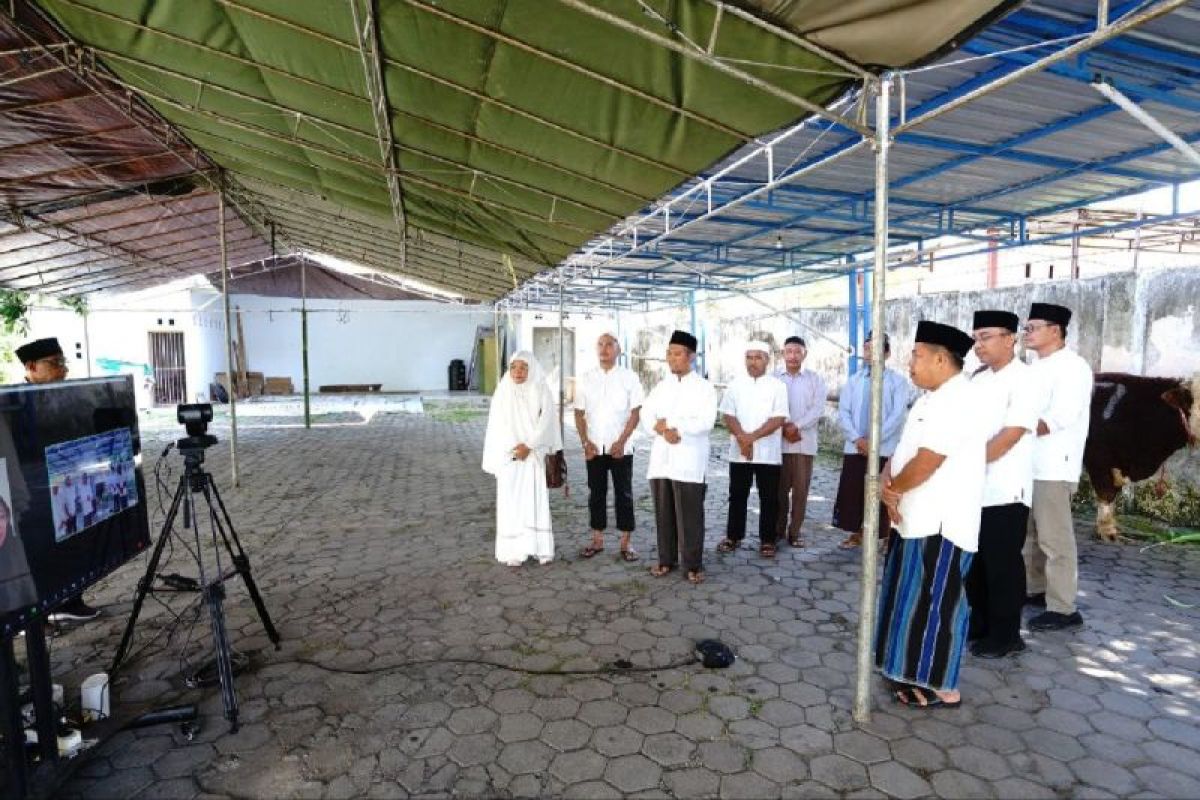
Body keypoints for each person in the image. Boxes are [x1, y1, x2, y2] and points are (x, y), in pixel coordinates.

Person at [877, 321, 985, 708]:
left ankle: (941, 684)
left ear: (941, 359)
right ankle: (907, 668)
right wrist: (886, 479)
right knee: (912, 596)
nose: (911, 363)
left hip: (942, 521)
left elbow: (928, 460)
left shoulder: (960, 399)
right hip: (914, 516)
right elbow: (906, 450)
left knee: (938, 600)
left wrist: (893, 490)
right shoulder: (929, 398)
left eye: (917, 356)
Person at [966, 310, 1038, 658]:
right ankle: (980, 625)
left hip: (1007, 489)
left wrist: (968, 462)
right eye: (977, 337)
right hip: (973, 488)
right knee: (976, 563)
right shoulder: (977, 380)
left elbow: (1011, 435)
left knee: (1002, 564)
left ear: (1010, 339)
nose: (979, 344)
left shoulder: (1025, 379)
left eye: (987, 337)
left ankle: (1007, 635)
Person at [16, 337, 100, 622]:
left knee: (72, 543)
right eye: (54, 364)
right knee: (41, 551)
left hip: (66, 482)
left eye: (63, 363)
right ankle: (39, 615)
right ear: (30, 367)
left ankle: (70, 600)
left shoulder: (60, 394)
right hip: (35, 490)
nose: (63, 370)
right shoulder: (15, 403)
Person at [1023, 302, 1093, 632]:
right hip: (1027, 463)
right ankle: (1037, 590)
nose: (1028, 333)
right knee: (1031, 537)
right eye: (1027, 328)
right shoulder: (1034, 366)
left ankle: (1064, 608)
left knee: (1055, 540)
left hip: (1054, 465)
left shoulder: (1073, 367)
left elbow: (1062, 415)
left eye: (1033, 327)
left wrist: (1015, 427)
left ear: (1055, 331)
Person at [642, 330, 718, 585]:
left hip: (689, 459)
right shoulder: (661, 386)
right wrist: (662, 429)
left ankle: (692, 564)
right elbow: (646, 415)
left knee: (690, 515)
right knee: (663, 513)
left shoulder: (704, 388)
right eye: (669, 354)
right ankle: (666, 559)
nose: (671, 359)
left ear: (691, 356)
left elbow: (706, 421)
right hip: (661, 459)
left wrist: (675, 427)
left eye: (677, 354)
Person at [481, 351, 562, 567]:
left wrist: (530, 446)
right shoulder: (503, 390)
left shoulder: (540, 388)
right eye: (514, 367)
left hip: (533, 456)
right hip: (511, 458)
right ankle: (514, 550)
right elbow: (497, 425)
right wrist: (513, 448)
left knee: (534, 501)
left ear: (531, 369)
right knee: (511, 504)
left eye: (523, 367)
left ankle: (540, 548)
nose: (518, 372)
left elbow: (547, 420)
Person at [833, 331, 910, 549]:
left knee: (882, 490)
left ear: (887, 353)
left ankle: (885, 536)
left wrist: (874, 441)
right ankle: (857, 533)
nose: (869, 353)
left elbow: (897, 417)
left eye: (875, 348)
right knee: (855, 491)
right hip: (856, 447)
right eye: (867, 348)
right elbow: (844, 412)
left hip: (884, 447)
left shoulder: (898, 382)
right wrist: (858, 439)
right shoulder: (854, 381)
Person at [575, 332, 644, 562]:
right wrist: (585, 442)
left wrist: (622, 441)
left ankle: (626, 543)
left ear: (618, 350)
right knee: (596, 493)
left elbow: (636, 412)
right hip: (594, 446)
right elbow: (578, 412)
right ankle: (597, 540)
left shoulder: (629, 378)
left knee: (623, 494)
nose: (604, 349)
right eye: (600, 344)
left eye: (610, 345)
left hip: (621, 447)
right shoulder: (586, 378)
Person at [716, 341, 788, 558]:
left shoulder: (778, 386)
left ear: (767, 360)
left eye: (758, 357)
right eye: (749, 357)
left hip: (768, 453)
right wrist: (742, 439)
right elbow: (728, 414)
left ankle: (768, 540)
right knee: (737, 495)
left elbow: (778, 418)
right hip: (739, 451)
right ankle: (733, 536)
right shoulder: (735, 384)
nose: (753, 362)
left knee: (769, 498)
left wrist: (751, 438)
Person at [776, 335, 827, 548]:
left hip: (804, 445)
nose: (793, 356)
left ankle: (794, 532)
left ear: (804, 354)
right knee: (778, 492)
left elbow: (817, 410)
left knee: (800, 493)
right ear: (783, 354)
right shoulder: (774, 379)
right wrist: (783, 426)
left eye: (798, 351)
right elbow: (769, 408)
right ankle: (777, 531)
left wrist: (795, 426)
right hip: (777, 445)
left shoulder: (815, 379)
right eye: (789, 351)